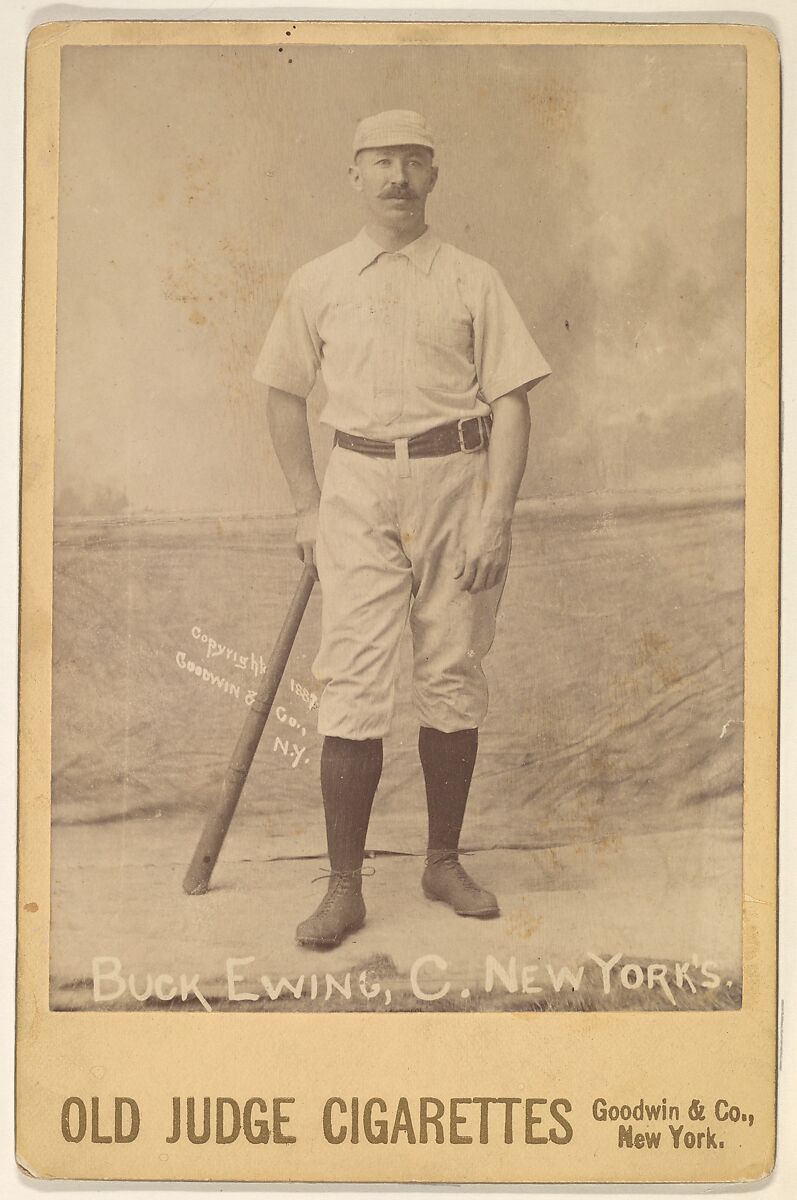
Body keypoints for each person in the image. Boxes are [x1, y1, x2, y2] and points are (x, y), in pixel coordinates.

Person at [254, 110, 551, 948]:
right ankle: (343, 887)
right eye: (381, 163)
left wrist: (497, 515)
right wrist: (306, 505)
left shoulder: (470, 279)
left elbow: (512, 399)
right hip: (354, 484)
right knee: (351, 676)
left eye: (413, 162)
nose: (396, 178)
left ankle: (442, 860)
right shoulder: (318, 281)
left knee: (452, 666)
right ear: (354, 175)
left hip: (458, 480)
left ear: (433, 176)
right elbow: (282, 390)